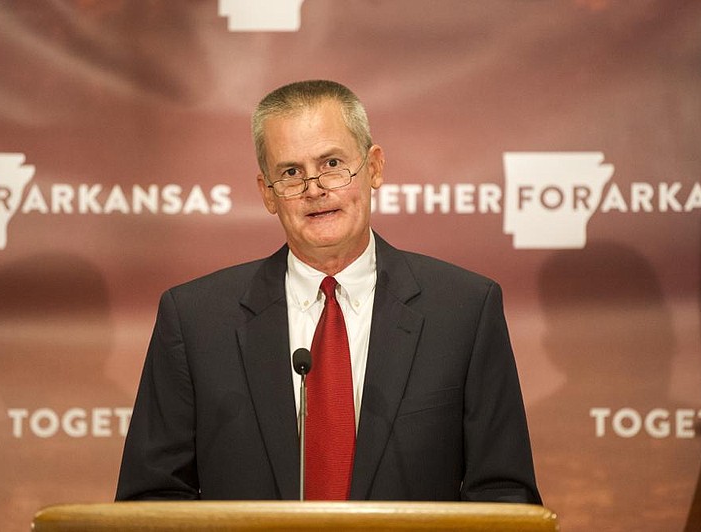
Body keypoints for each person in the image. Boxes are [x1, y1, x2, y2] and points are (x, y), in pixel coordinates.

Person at [116, 80, 541, 503]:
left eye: (332, 163)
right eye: (290, 173)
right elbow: (151, 500)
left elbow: (504, 496)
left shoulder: (464, 309)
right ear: (267, 193)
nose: (314, 189)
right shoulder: (196, 321)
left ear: (373, 168)